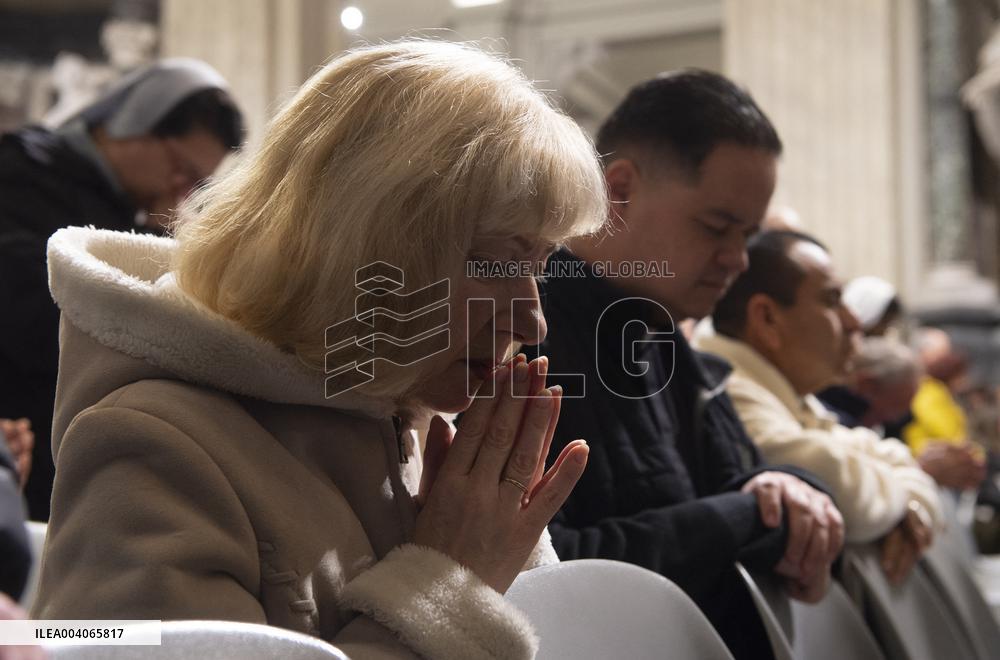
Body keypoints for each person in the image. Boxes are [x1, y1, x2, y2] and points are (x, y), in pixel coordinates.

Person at [32, 40, 607, 660]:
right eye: (495, 260)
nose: (534, 318)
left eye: (541, 267)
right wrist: (450, 585)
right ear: (360, 248)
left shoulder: (412, 422)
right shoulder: (152, 445)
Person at [538, 71, 843, 659]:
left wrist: (792, 492)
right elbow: (545, 575)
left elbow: (756, 482)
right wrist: (748, 516)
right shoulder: (521, 333)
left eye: (748, 236)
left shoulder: (664, 332)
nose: (736, 260)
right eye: (716, 227)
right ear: (618, 191)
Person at [0, 58, 244, 521]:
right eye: (180, 168)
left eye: (197, 182)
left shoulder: (126, 205)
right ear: (134, 124)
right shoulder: (20, 171)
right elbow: (34, 318)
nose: (182, 189)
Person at [698, 230, 944, 584]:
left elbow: (884, 458)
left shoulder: (790, 393)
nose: (854, 322)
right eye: (832, 301)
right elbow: (839, 488)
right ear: (767, 319)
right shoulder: (728, 388)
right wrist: (903, 501)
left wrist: (908, 499)